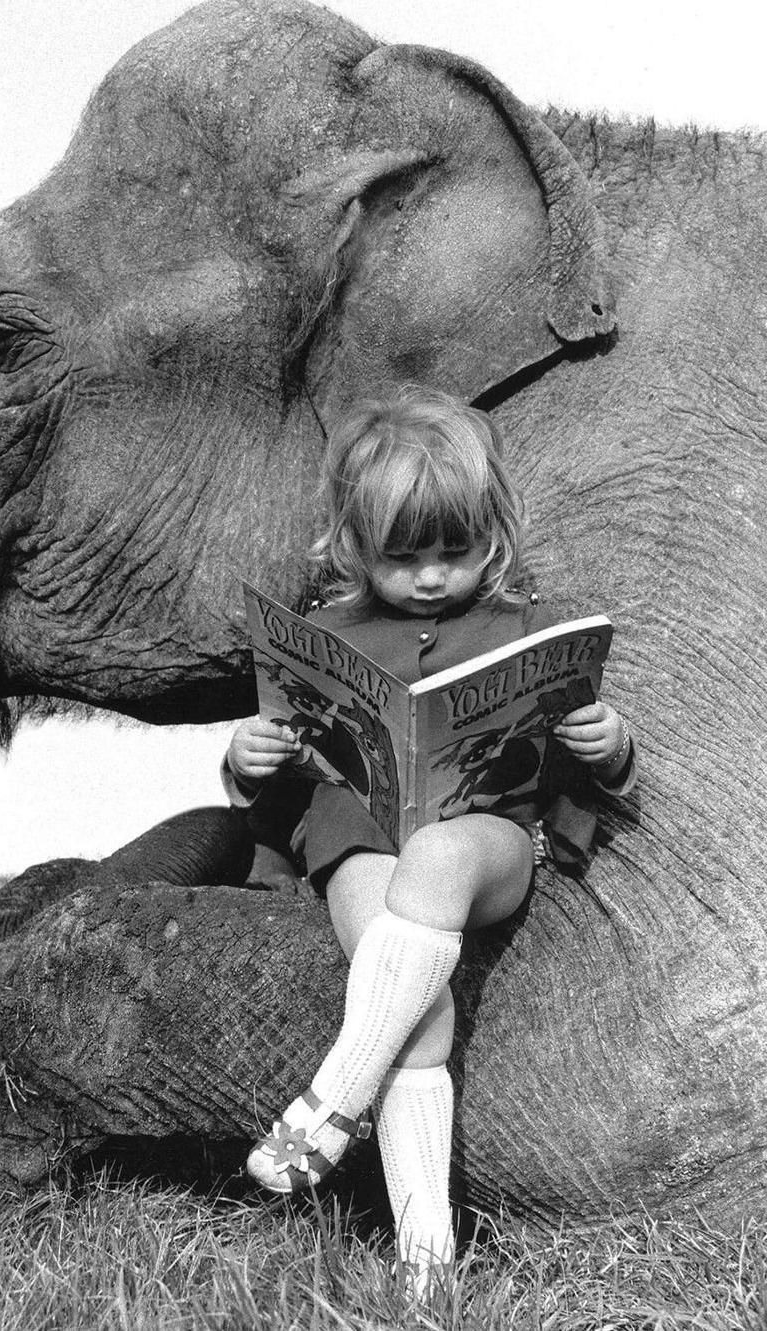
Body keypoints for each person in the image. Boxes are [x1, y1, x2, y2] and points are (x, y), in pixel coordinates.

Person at [222, 386, 637, 1292]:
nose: (432, 577)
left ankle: (336, 1096)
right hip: (358, 838)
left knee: (440, 859)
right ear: (355, 544)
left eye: (454, 550)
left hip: (485, 833)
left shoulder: (525, 627)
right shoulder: (323, 637)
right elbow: (277, 779)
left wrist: (610, 747)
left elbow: (586, 773)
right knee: (416, 994)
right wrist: (247, 759)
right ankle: (426, 1262)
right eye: (404, 556)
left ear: (492, 534)